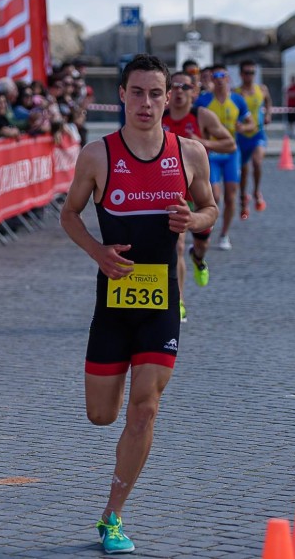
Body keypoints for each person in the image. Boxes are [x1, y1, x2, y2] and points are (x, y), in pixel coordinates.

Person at [59, 54, 217, 556]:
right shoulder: (97, 155)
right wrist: (98, 253)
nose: (146, 103)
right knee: (102, 416)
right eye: (137, 93)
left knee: (144, 410)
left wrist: (193, 223)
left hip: (161, 302)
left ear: (168, 97)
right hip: (113, 302)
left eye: (156, 93)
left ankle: (113, 517)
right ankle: (113, 498)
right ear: (122, 95)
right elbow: (68, 215)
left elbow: (209, 207)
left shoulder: (189, 152)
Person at [161, 70, 235, 323]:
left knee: (200, 245)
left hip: (199, 193)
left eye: (185, 87)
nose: (179, 91)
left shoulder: (202, 116)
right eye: (175, 86)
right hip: (173, 192)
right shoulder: (159, 117)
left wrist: (202, 141)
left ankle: (199, 258)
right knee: (177, 245)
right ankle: (178, 302)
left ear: (194, 92)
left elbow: (230, 144)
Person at [204, 65, 253, 251]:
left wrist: (244, 128)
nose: (219, 79)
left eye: (222, 75)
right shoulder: (204, 101)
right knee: (215, 195)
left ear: (228, 78)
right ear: (212, 80)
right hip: (211, 153)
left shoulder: (238, 100)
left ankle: (224, 234)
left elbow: (251, 123)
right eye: (215, 76)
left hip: (232, 153)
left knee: (231, 196)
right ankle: (207, 225)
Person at [234, 60, 273, 219]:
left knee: (257, 162)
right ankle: (243, 198)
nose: (250, 76)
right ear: (241, 74)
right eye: (247, 72)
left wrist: (268, 114)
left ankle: (256, 190)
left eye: (252, 72)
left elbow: (269, 102)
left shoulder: (261, 89)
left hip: (258, 134)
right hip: (242, 136)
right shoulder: (235, 92)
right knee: (243, 171)